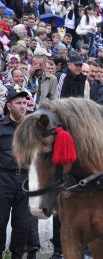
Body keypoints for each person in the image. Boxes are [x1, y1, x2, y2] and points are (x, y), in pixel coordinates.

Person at [0, 87, 32, 259]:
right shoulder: (1, 126)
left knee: (22, 224)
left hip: (26, 180)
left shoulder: (32, 128)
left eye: (24, 103)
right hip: (3, 178)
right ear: (9, 105)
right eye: (18, 103)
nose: (22, 106)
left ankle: (17, 256)